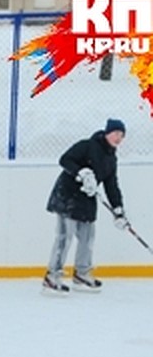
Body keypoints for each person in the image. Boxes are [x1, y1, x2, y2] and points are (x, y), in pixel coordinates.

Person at [43, 117, 128, 293]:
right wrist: (81, 172)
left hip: (87, 198)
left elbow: (111, 185)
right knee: (64, 237)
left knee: (88, 237)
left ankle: (82, 274)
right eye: (116, 133)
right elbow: (65, 160)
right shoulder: (87, 146)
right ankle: (52, 276)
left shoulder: (111, 158)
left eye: (122, 135)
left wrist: (118, 210)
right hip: (68, 195)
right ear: (107, 133)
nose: (118, 138)